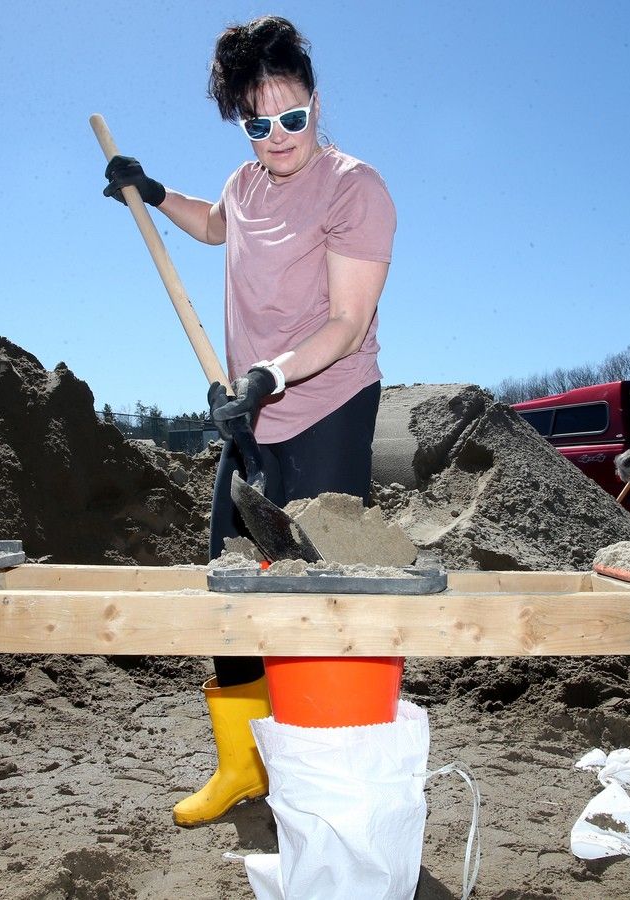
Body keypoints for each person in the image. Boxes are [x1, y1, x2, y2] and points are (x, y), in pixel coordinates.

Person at [101, 16, 396, 826]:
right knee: (232, 584)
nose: (277, 138)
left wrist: (268, 374)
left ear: (315, 99)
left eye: (292, 117)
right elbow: (213, 226)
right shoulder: (246, 182)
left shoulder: (353, 188)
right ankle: (242, 767)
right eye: (256, 123)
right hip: (249, 414)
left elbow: (345, 322)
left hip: (326, 405)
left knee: (321, 589)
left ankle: (327, 762)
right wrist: (153, 193)